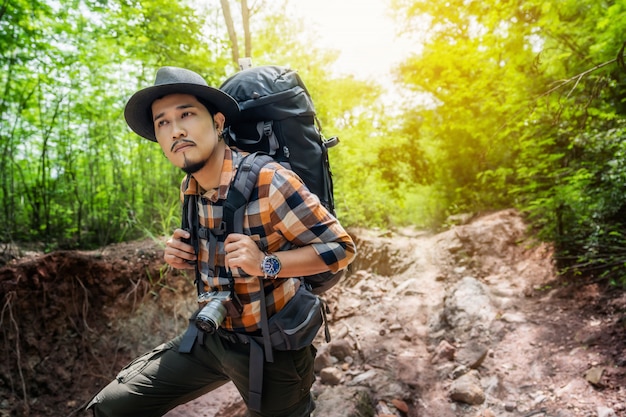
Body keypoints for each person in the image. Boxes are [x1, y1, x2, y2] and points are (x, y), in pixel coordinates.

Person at [86, 66, 356, 417]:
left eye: (186, 114)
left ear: (217, 122)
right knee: (109, 408)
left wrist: (266, 263)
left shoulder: (269, 180)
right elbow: (217, 258)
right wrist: (185, 255)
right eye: (162, 122)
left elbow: (341, 249)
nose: (176, 130)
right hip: (212, 338)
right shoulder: (190, 189)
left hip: (274, 349)